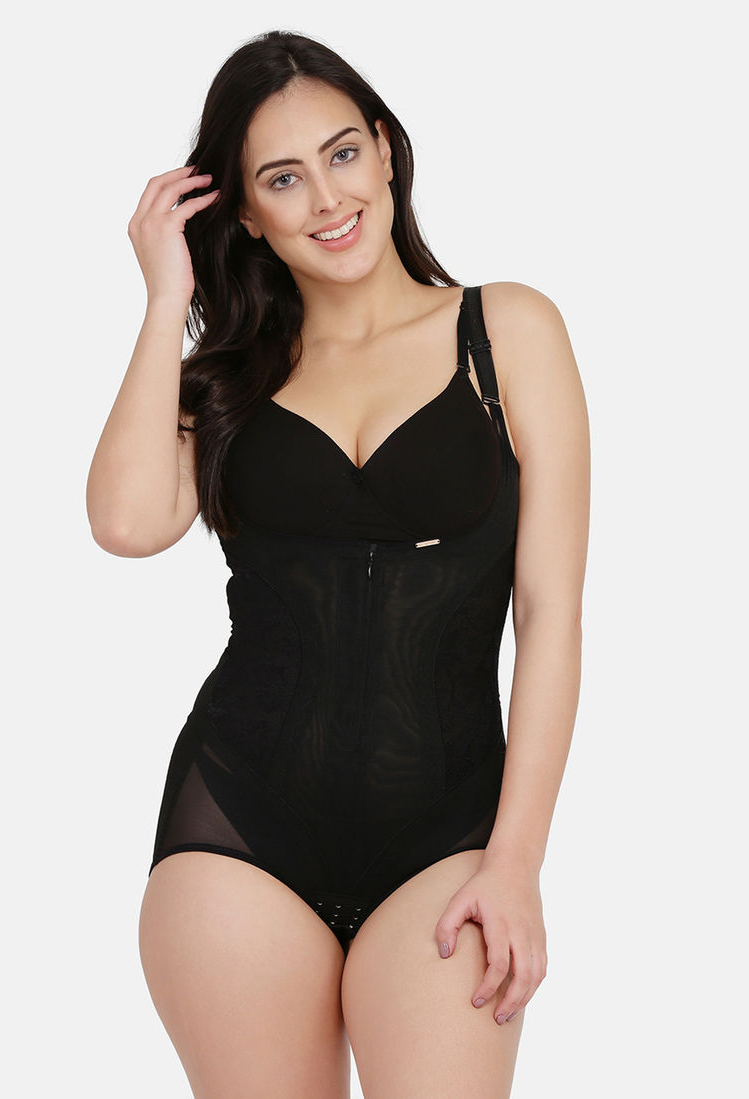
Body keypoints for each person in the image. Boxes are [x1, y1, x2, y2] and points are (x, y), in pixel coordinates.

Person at [86, 28, 590, 1099]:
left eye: (342, 154)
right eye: (282, 178)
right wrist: (164, 296)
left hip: (447, 845)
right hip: (236, 836)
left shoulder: (507, 331)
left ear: (385, 150)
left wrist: (517, 861)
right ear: (246, 213)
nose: (326, 198)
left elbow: (549, 614)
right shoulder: (226, 380)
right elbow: (125, 524)